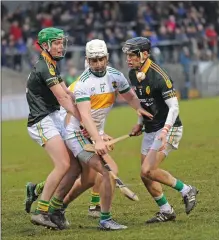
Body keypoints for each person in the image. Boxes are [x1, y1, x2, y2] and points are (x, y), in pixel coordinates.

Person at [25, 39, 153, 230]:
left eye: (101, 59)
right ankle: (104, 218)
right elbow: (84, 115)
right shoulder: (83, 83)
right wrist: (98, 139)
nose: (98, 64)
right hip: (77, 135)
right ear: (87, 60)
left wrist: (139, 111)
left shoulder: (116, 76)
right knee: (108, 171)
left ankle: (56, 208)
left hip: (91, 133)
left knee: (88, 179)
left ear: (107, 58)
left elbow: (130, 96)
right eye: (93, 60)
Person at [122, 37, 199, 223]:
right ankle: (166, 210)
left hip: (169, 128)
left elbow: (174, 107)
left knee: (148, 169)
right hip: (150, 128)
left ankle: (187, 190)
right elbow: (143, 103)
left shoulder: (159, 76)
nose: (128, 59)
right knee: (144, 174)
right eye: (127, 55)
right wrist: (139, 123)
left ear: (145, 54)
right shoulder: (133, 73)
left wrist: (165, 131)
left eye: (132, 55)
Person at [26, 27, 82, 229]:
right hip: (41, 120)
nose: (60, 46)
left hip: (53, 116)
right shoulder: (44, 67)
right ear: (45, 45)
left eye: (61, 42)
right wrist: (83, 119)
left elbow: (68, 92)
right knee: (63, 164)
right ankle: (41, 212)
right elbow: (63, 98)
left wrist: (84, 98)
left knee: (76, 165)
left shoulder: (51, 64)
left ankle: (54, 208)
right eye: (56, 43)